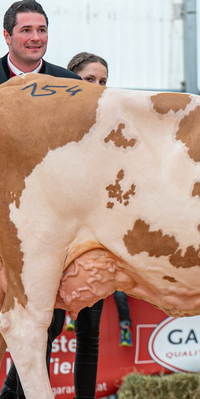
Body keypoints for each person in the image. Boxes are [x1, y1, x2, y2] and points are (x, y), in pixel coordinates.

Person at [0, 0, 115, 399]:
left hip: (48, 226)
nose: (35, 38)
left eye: (42, 30)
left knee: (41, 315)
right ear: (7, 36)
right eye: (26, 31)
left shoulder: (66, 82)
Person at [66, 51, 132, 348]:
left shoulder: (110, 129)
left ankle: (86, 398)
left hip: (96, 239)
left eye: (103, 81)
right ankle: (11, 396)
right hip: (60, 237)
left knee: (89, 333)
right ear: (70, 79)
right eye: (89, 79)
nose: (97, 86)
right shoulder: (55, 128)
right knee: (47, 328)